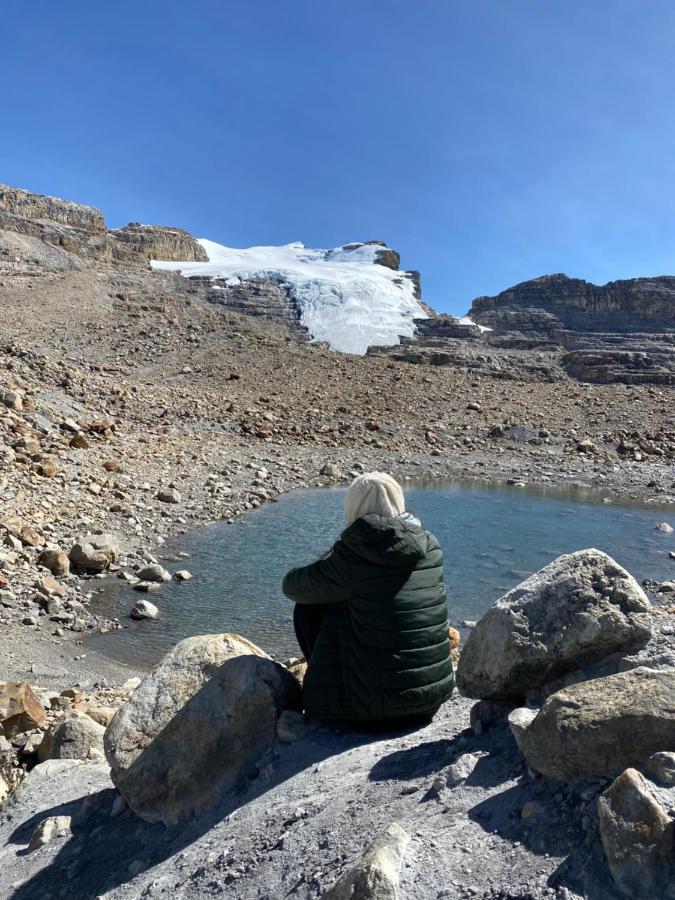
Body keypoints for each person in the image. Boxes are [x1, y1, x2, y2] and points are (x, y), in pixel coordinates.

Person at [282, 472, 455, 730]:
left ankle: (330, 688)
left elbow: (292, 585)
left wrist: (333, 564)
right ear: (400, 505)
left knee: (308, 607)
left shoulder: (354, 554)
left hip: (363, 714)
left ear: (353, 510)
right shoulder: (430, 545)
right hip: (430, 702)